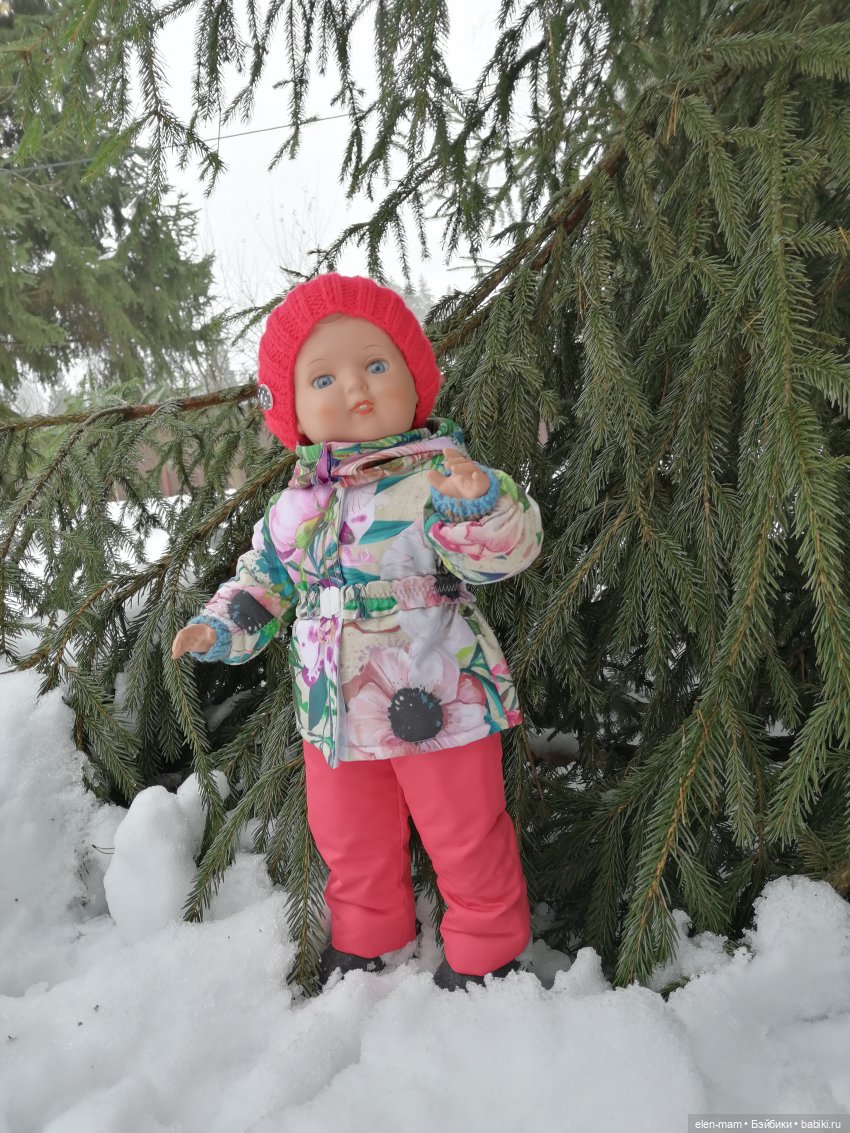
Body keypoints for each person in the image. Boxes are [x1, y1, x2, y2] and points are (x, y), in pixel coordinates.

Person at [171, 274, 544, 991]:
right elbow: (265, 579)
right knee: (349, 838)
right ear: (293, 412)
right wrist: (218, 625)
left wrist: (479, 506)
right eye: (323, 378)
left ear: (414, 379)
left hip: (440, 695)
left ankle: (487, 946)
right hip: (334, 710)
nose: (356, 387)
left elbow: (503, 553)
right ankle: (368, 934)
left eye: (376, 364)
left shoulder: (440, 476)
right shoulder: (295, 508)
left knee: (466, 831)